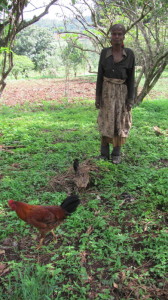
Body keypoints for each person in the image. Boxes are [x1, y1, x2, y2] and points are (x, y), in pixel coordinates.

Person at [95, 24, 135, 164]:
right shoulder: (104, 53)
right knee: (106, 120)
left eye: (119, 34)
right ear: (110, 36)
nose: (116, 36)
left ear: (123, 36)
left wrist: (130, 99)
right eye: (114, 34)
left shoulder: (129, 54)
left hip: (121, 93)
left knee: (120, 121)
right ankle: (104, 153)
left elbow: (131, 78)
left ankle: (116, 154)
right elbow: (100, 76)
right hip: (107, 92)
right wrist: (98, 97)